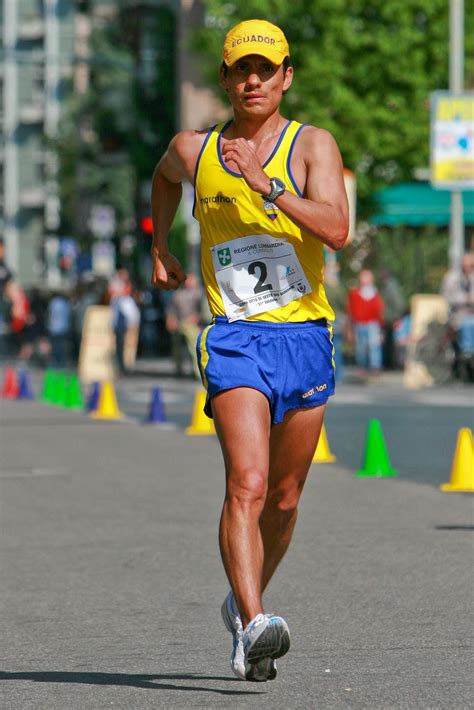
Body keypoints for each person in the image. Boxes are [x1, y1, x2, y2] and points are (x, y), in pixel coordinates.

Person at [150, 19, 348, 682]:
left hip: (305, 337)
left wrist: (266, 184)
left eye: (266, 69)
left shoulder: (311, 145)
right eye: (242, 70)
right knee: (249, 483)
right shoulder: (195, 149)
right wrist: (162, 247)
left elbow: (338, 229)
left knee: (286, 497)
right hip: (234, 337)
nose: (254, 80)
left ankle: (241, 607)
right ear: (227, 80)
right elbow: (163, 179)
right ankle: (259, 622)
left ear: (287, 76)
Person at [166, 272, 204, 378]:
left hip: (192, 324)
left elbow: (203, 310)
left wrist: (198, 319)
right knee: (177, 348)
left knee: (194, 348)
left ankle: (197, 372)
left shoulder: (199, 293)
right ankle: (178, 369)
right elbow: (172, 309)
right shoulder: (178, 294)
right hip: (179, 322)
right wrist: (170, 319)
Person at [347, 269, 384, 373]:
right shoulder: (355, 294)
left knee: (374, 345)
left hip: (373, 324)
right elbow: (351, 310)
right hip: (359, 323)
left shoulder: (375, 294)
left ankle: (375, 367)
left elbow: (379, 311)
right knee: (361, 347)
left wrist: (381, 327)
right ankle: (361, 367)